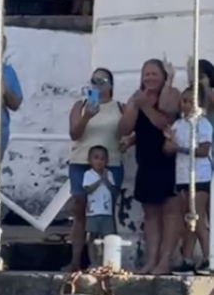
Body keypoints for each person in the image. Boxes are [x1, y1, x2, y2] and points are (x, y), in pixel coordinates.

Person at [119, 59, 182, 274]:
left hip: (168, 160)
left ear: (164, 76)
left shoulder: (172, 94)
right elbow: (125, 128)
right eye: (146, 74)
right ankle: (151, 259)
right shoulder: (137, 98)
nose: (150, 78)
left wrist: (144, 105)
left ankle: (165, 261)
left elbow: (164, 123)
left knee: (171, 213)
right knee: (151, 214)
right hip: (145, 160)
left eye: (155, 74)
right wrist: (134, 106)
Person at [67, 67, 124, 270]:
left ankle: (108, 261)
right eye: (94, 80)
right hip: (81, 162)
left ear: (111, 85)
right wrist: (86, 117)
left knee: (107, 213)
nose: (97, 84)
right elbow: (74, 133)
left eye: (102, 80)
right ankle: (77, 261)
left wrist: (129, 142)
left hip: (110, 164)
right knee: (80, 213)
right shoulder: (80, 106)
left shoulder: (120, 107)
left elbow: (131, 130)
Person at [166, 87, 213, 275]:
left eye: (189, 101)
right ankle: (187, 257)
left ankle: (209, 257)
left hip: (199, 176)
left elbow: (203, 151)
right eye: (183, 101)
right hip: (183, 176)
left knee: (198, 217)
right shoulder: (178, 124)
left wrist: (180, 148)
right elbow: (168, 149)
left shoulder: (203, 125)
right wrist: (169, 142)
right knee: (188, 219)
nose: (184, 105)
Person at [82, 145, 117, 266]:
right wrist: (100, 180)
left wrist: (106, 179)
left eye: (102, 159)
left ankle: (106, 262)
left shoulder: (109, 174)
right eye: (96, 158)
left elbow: (113, 190)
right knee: (92, 237)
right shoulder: (88, 174)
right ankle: (93, 262)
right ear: (90, 160)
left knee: (107, 238)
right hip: (93, 212)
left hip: (106, 212)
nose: (99, 161)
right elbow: (88, 189)